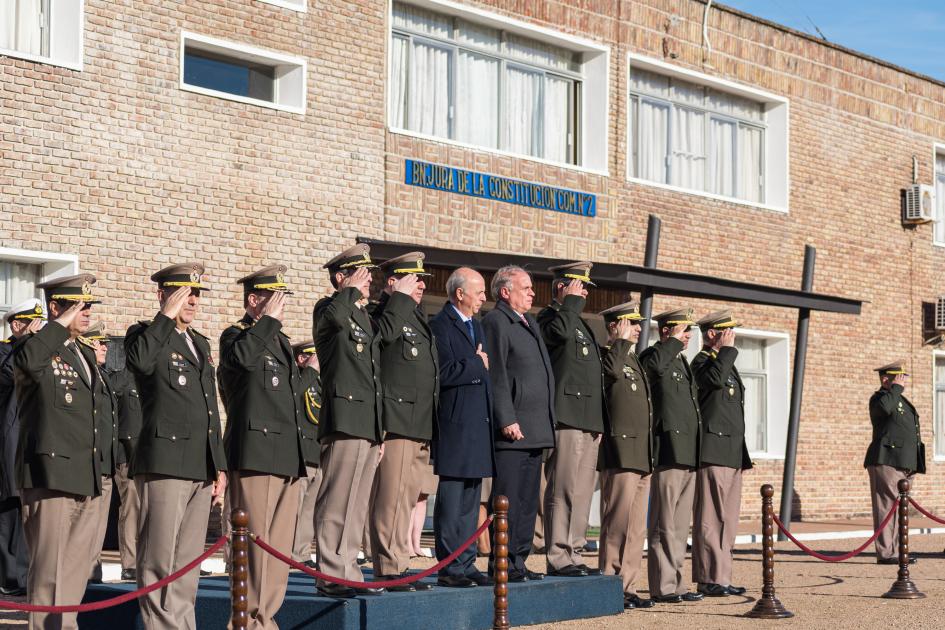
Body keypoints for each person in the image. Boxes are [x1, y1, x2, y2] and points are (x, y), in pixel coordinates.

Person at [124, 263, 227, 630]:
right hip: (165, 460)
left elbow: (210, 407)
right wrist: (165, 316)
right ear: (162, 294)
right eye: (184, 293)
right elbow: (139, 363)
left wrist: (219, 465)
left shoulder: (199, 342)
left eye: (196, 294)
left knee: (187, 560)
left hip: (200, 463)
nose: (192, 301)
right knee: (158, 556)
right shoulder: (145, 335)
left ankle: (183, 623)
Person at [218, 264, 315, 628]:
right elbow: (241, 361)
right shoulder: (236, 336)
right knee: (253, 546)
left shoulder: (280, 341)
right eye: (274, 298)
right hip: (255, 453)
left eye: (283, 298)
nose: (281, 305)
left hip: (287, 456)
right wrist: (268, 322)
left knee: (277, 552)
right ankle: (245, 621)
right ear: (254, 300)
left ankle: (266, 619)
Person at [15, 274, 105, 630]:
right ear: (56, 307)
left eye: (89, 305)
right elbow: (26, 365)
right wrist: (59, 323)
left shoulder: (82, 352)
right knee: (48, 573)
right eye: (77, 305)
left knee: (74, 573)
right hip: (50, 475)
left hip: (85, 474)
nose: (86, 312)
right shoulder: (36, 345)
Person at [312, 243, 384, 598]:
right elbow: (334, 321)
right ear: (341, 277)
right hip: (343, 418)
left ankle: (349, 571)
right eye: (360, 273)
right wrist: (348, 290)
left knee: (356, 506)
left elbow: (373, 375)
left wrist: (380, 429)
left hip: (367, 422)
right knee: (337, 500)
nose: (368, 279)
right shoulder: (329, 308)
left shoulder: (364, 315)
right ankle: (330, 573)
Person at [368, 252, 438, 592]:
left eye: (422, 279)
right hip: (395, 421)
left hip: (418, 423)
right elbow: (379, 342)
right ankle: (387, 567)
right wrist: (396, 300)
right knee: (390, 499)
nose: (421, 284)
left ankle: (401, 564)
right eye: (414, 278)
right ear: (393, 282)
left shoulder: (414, 315)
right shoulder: (382, 312)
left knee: (407, 499)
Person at [481, 265, 555, 583]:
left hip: (535, 428)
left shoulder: (529, 322)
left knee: (527, 503)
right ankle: (501, 563)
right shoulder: (497, 321)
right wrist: (506, 417)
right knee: (508, 500)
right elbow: (495, 372)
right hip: (513, 429)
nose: (532, 293)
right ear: (505, 291)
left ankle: (518, 561)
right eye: (525, 287)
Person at [537, 262, 604, 578]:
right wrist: (570, 304)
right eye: (579, 286)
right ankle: (558, 555)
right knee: (562, 489)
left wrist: (597, 423)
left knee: (581, 492)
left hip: (588, 420)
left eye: (586, 287)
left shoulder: (579, 321)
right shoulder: (551, 318)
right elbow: (558, 336)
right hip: (565, 418)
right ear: (561, 287)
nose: (584, 292)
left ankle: (574, 552)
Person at [428, 267, 494, 588]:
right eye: (479, 291)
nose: (484, 297)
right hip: (454, 425)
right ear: (459, 294)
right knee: (452, 501)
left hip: (477, 424)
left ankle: (466, 563)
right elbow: (442, 372)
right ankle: (449, 565)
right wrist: (476, 365)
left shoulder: (477, 327)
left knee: (471, 500)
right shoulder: (439, 326)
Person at [639, 308, 704, 604]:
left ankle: (677, 583)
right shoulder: (655, 355)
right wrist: (672, 344)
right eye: (682, 330)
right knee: (663, 524)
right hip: (667, 450)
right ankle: (663, 586)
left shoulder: (680, 360)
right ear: (666, 331)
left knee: (679, 527)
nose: (687, 336)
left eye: (688, 331)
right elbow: (651, 370)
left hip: (688, 452)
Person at [597, 302, 655, 610]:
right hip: (620, 451)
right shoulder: (609, 355)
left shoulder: (633, 359)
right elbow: (611, 375)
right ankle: (609, 582)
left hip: (641, 453)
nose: (637, 328)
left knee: (636, 527)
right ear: (614, 326)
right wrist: (619, 342)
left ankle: (628, 585)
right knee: (617, 522)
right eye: (631, 323)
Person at [690, 310, 751, 597]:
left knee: (728, 519)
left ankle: (722, 576)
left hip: (732, 452)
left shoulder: (724, 363)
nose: (732, 337)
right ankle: (708, 577)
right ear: (712, 334)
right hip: (713, 450)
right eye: (727, 332)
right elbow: (712, 382)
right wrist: (726, 351)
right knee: (711, 518)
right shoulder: (701, 362)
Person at [0, 299, 43, 597]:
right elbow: (13, 373)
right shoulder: (5, 352)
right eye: (32, 325)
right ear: (16, 326)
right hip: (10, 445)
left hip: (34, 443)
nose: (39, 331)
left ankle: (24, 575)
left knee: (28, 509)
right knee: (10, 511)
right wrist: (28, 342)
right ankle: (9, 577)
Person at [864, 359, 925, 564]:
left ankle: (899, 552)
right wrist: (896, 388)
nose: (902, 381)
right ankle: (886, 553)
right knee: (886, 507)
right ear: (885, 379)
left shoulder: (899, 400)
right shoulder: (880, 398)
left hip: (904, 461)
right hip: (886, 459)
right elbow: (884, 409)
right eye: (898, 377)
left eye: (903, 377)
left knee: (900, 509)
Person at [78, 322, 120, 585]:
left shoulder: (102, 374)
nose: (104, 346)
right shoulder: (85, 375)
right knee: (85, 530)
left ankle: (93, 577)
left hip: (104, 466)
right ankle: (85, 580)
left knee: (97, 531)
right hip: (88, 466)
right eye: (98, 342)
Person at [109, 343, 143, 581]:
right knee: (131, 510)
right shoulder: (121, 378)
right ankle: (129, 563)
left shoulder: (152, 379)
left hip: (152, 460)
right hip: (127, 459)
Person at [290, 340, 322, 568]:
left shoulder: (320, 383)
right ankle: (289, 553)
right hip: (300, 454)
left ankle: (300, 554)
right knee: (295, 509)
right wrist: (310, 371)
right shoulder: (299, 379)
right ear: (303, 358)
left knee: (309, 511)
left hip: (317, 455)